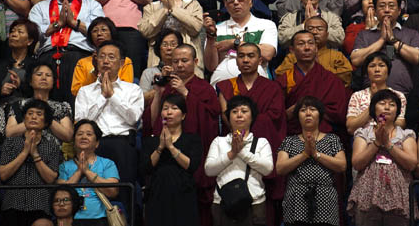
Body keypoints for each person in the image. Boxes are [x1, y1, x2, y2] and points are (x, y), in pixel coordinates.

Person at [74, 41, 143, 215]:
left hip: (122, 145)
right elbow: (82, 122)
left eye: (111, 57)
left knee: (124, 194)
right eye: (102, 56)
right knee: (92, 195)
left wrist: (112, 96)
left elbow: (134, 118)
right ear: (95, 61)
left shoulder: (132, 89)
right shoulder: (85, 91)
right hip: (93, 147)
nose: (106, 61)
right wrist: (102, 98)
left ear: (121, 63)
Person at [28, 0, 105, 99]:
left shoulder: (93, 5)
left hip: (81, 56)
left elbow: (100, 32)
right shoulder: (40, 7)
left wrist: (74, 23)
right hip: (47, 57)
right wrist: (58, 24)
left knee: (77, 102)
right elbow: (33, 33)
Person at [348, 89, 417, 226]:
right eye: (382, 103)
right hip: (368, 192)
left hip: (399, 194)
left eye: (392, 104)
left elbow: (411, 164)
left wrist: (388, 144)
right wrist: (377, 143)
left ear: (397, 111)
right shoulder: (363, 133)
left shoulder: (406, 134)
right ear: (373, 109)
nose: (387, 107)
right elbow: (357, 163)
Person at [276, 95, 346, 226]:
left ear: (320, 115)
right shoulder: (289, 141)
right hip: (296, 197)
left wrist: (315, 154)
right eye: (303, 110)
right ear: (297, 116)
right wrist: (305, 154)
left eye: (312, 109)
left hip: (325, 196)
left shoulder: (332, 139)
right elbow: (280, 168)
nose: (308, 113)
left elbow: (342, 165)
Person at [205, 95, 273, 226]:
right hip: (223, 202)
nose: (239, 115)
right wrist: (232, 153)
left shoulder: (261, 142)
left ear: (252, 116)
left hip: (254, 202)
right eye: (234, 112)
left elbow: (268, 169)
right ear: (228, 117)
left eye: (244, 111)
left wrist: (241, 152)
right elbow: (209, 170)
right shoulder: (219, 141)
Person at [141, 94, 202, 226]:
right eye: (165, 108)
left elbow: (191, 166)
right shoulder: (151, 141)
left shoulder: (192, 139)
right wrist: (160, 147)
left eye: (174, 108)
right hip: (157, 193)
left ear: (183, 115)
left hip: (183, 193)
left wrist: (171, 147)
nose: (169, 112)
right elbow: (146, 168)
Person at [0, 100, 62, 226]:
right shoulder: (11, 143)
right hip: (12, 205)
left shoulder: (52, 146)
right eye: (30, 113)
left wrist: (35, 154)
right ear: (24, 119)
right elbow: (3, 174)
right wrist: (24, 152)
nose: (33, 117)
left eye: (39, 114)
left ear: (46, 122)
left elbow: (50, 178)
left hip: (40, 206)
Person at [216, 42, 288, 156]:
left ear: (260, 61)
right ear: (236, 61)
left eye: (250, 56)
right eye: (241, 56)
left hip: (264, 143)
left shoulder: (273, 87)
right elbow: (226, 116)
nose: (245, 60)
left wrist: (244, 124)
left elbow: (276, 115)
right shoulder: (226, 86)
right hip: (233, 142)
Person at [351, 0, 419, 95]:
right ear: (375, 11)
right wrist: (381, 40)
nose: (386, 10)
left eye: (391, 6)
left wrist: (393, 40)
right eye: (381, 6)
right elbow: (355, 60)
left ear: (399, 10)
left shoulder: (411, 34)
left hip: (406, 95)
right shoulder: (364, 35)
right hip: (373, 95)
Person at [204, 0, 277, 85]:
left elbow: (268, 54)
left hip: (257, 86)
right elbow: (211, 66)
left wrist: (234, 43)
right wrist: (211, 37)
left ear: (250, 0)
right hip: (222, 86)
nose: (236, 2)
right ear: (224, 3)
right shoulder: (217, 29)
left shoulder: (266, 25)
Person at [57, 119, 120, 225]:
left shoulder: (107, 164)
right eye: (80, 134)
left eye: (89, 134)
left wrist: (87, 172)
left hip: (101, 219)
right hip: (71, 220)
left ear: (97, 143)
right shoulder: (64, 166)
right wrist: (78, 172)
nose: (84, 137)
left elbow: (113, 192)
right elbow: (61, 195)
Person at [5, 60, 73, 146]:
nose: (44, 78)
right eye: (39, 74)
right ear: (30, 81)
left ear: (53, 82)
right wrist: (33, 122)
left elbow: (68, 136)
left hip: (52, 155)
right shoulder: (18, 105)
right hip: (22, 152)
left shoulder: (62, 107)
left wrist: (46, 116)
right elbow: (9, 133)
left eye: (48, 75)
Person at [346, 53, 408, 133]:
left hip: (390, 139)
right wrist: (374, 103)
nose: (377, 70)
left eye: (381, 65)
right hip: (363, 140)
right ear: (366, 72)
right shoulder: (357, 96)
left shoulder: (398, 96)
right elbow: (351, 128)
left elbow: (400, 125)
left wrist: (382, 112)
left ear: (388, 70)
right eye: (372, 66)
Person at [0, 18, 38, 106]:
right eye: (12, 31)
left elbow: (39, 92)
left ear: (29, 41)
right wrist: (0, 91)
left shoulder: (35, 66)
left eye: (20, 32)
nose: (13, 34)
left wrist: (20, 85)